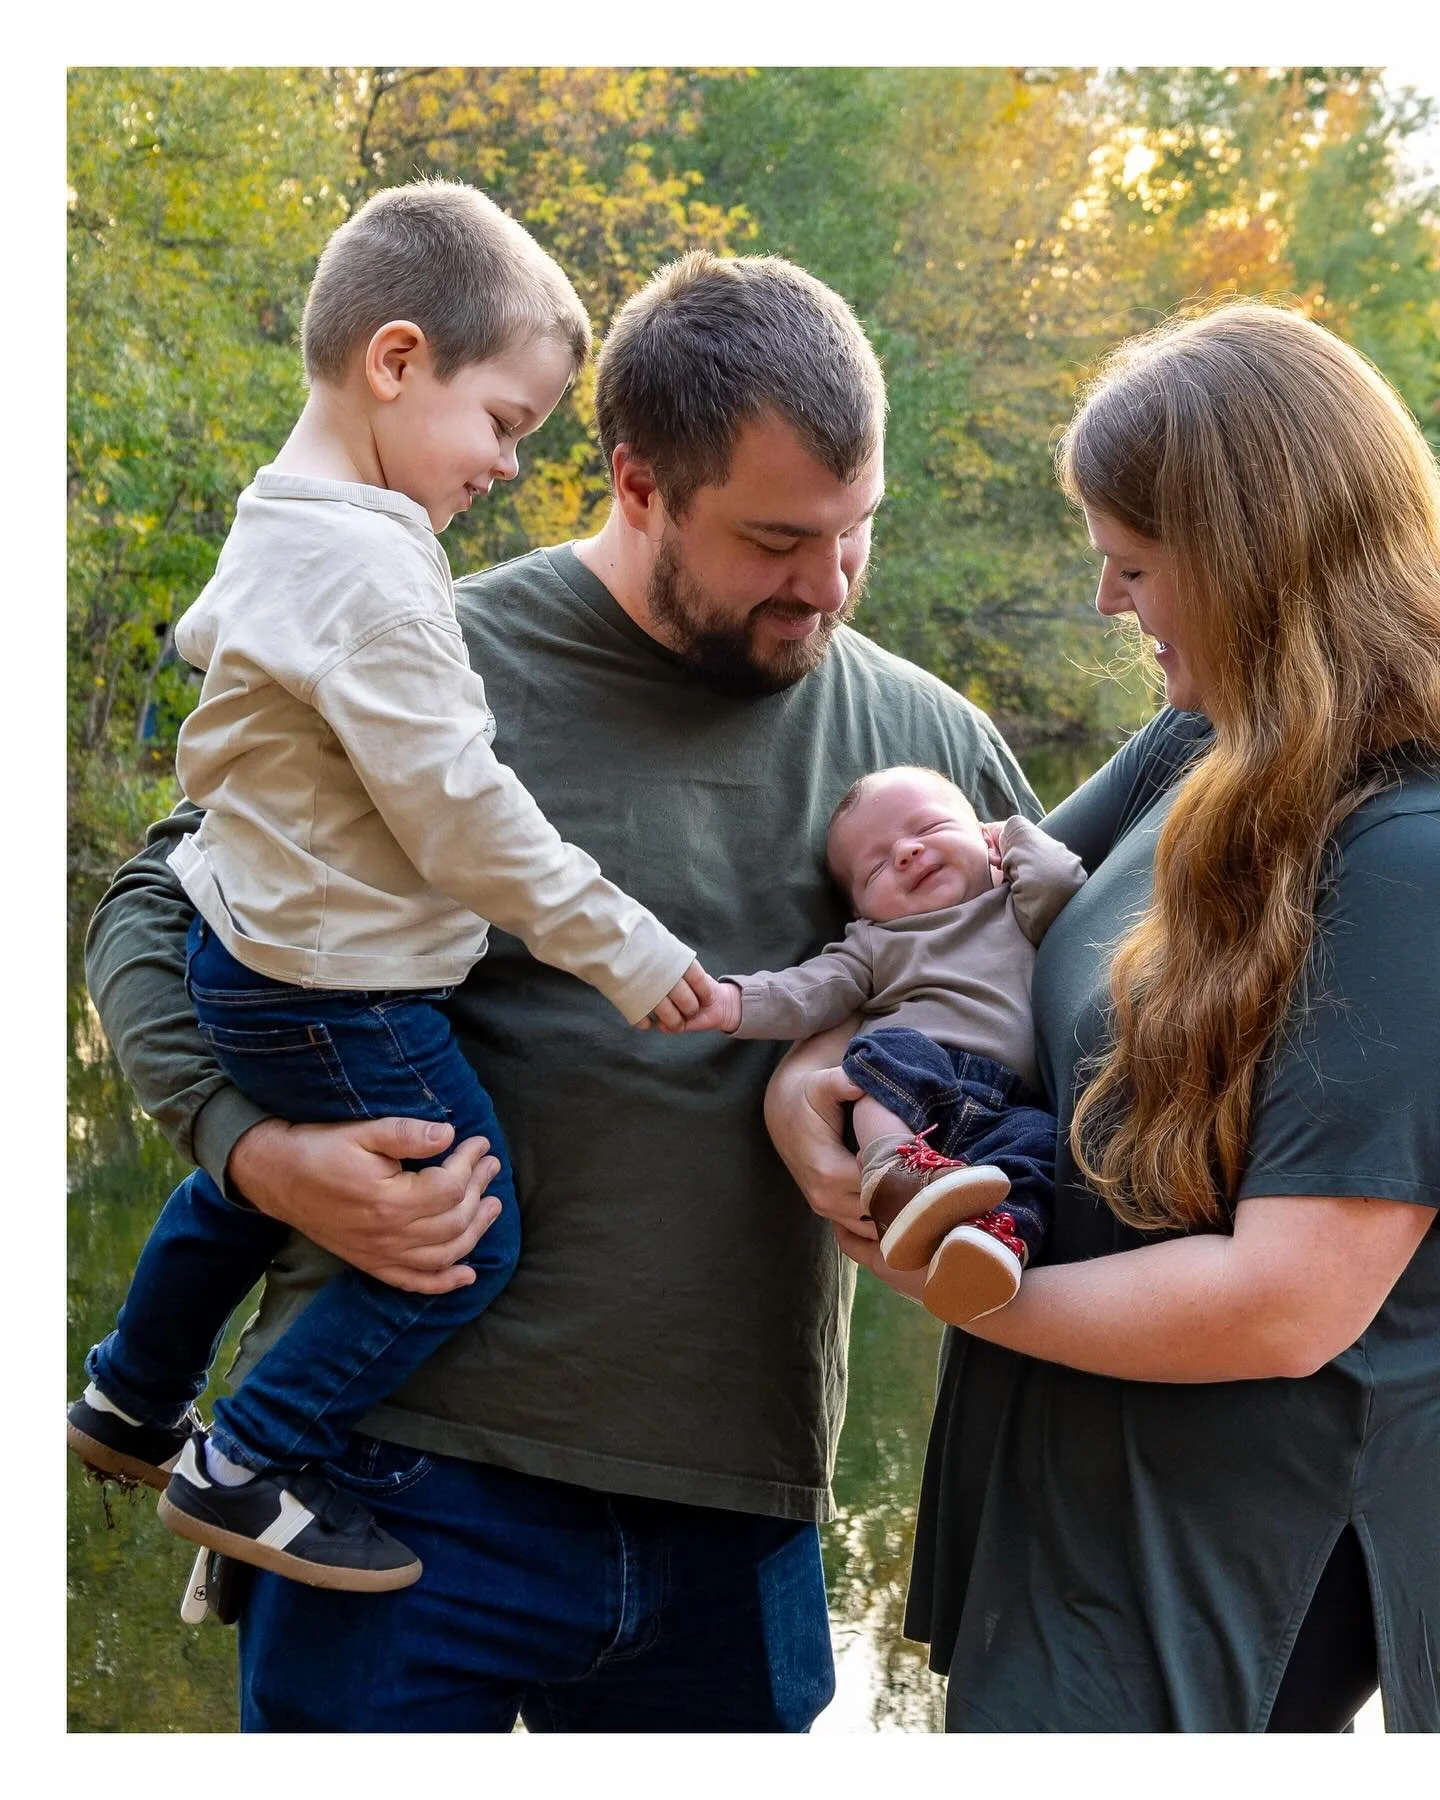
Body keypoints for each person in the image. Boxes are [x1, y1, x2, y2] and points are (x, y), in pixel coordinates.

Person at [81, 248, 1042, 1731]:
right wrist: (250, 1151)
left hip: (741, 1505)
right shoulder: (430, 650)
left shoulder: (932, 746)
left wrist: (830, 1064)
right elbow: (156, 907)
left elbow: (1035, 1014)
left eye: (858, 532)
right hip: (392, 1488)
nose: (828, 585)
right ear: (639, 481)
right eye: (777, 540)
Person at [767, 300, 1440, 1732]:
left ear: (1258, 564)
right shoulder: (1200, 740)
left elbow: (1288, 1301)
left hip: (1228, 1558)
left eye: (1134, 566)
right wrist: (814, 1075)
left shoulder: (1408, 855)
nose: (1105, 605)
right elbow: (948, 926)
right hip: (1074, 1487)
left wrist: (953, 1288)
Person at [67, 180, 717, 1594]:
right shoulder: (376, 577)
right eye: (503, 424)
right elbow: (465, 818)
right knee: (462, 1239)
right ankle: (250, 1456)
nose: (503, 465)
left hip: (254, 963)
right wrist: (632, 951)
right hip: (344, 996)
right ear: (398, 360)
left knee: (248, 1201)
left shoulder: (284, 519)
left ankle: (129, 1395)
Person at [680, 764, 1085, 1321]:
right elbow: (806, 991)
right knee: (884, 1056)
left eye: (931, 827)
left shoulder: (1018, 906)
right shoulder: (876, 943)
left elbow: (1063, 882)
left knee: (1040, 1150)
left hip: (1010, 1105)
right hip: (921, 1084)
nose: (906, 854)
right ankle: (894, 1169)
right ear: (860, 911)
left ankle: (993, 1245)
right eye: (875, 868)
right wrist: (729, 1002)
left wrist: (1010, 832)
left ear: (982, 837)